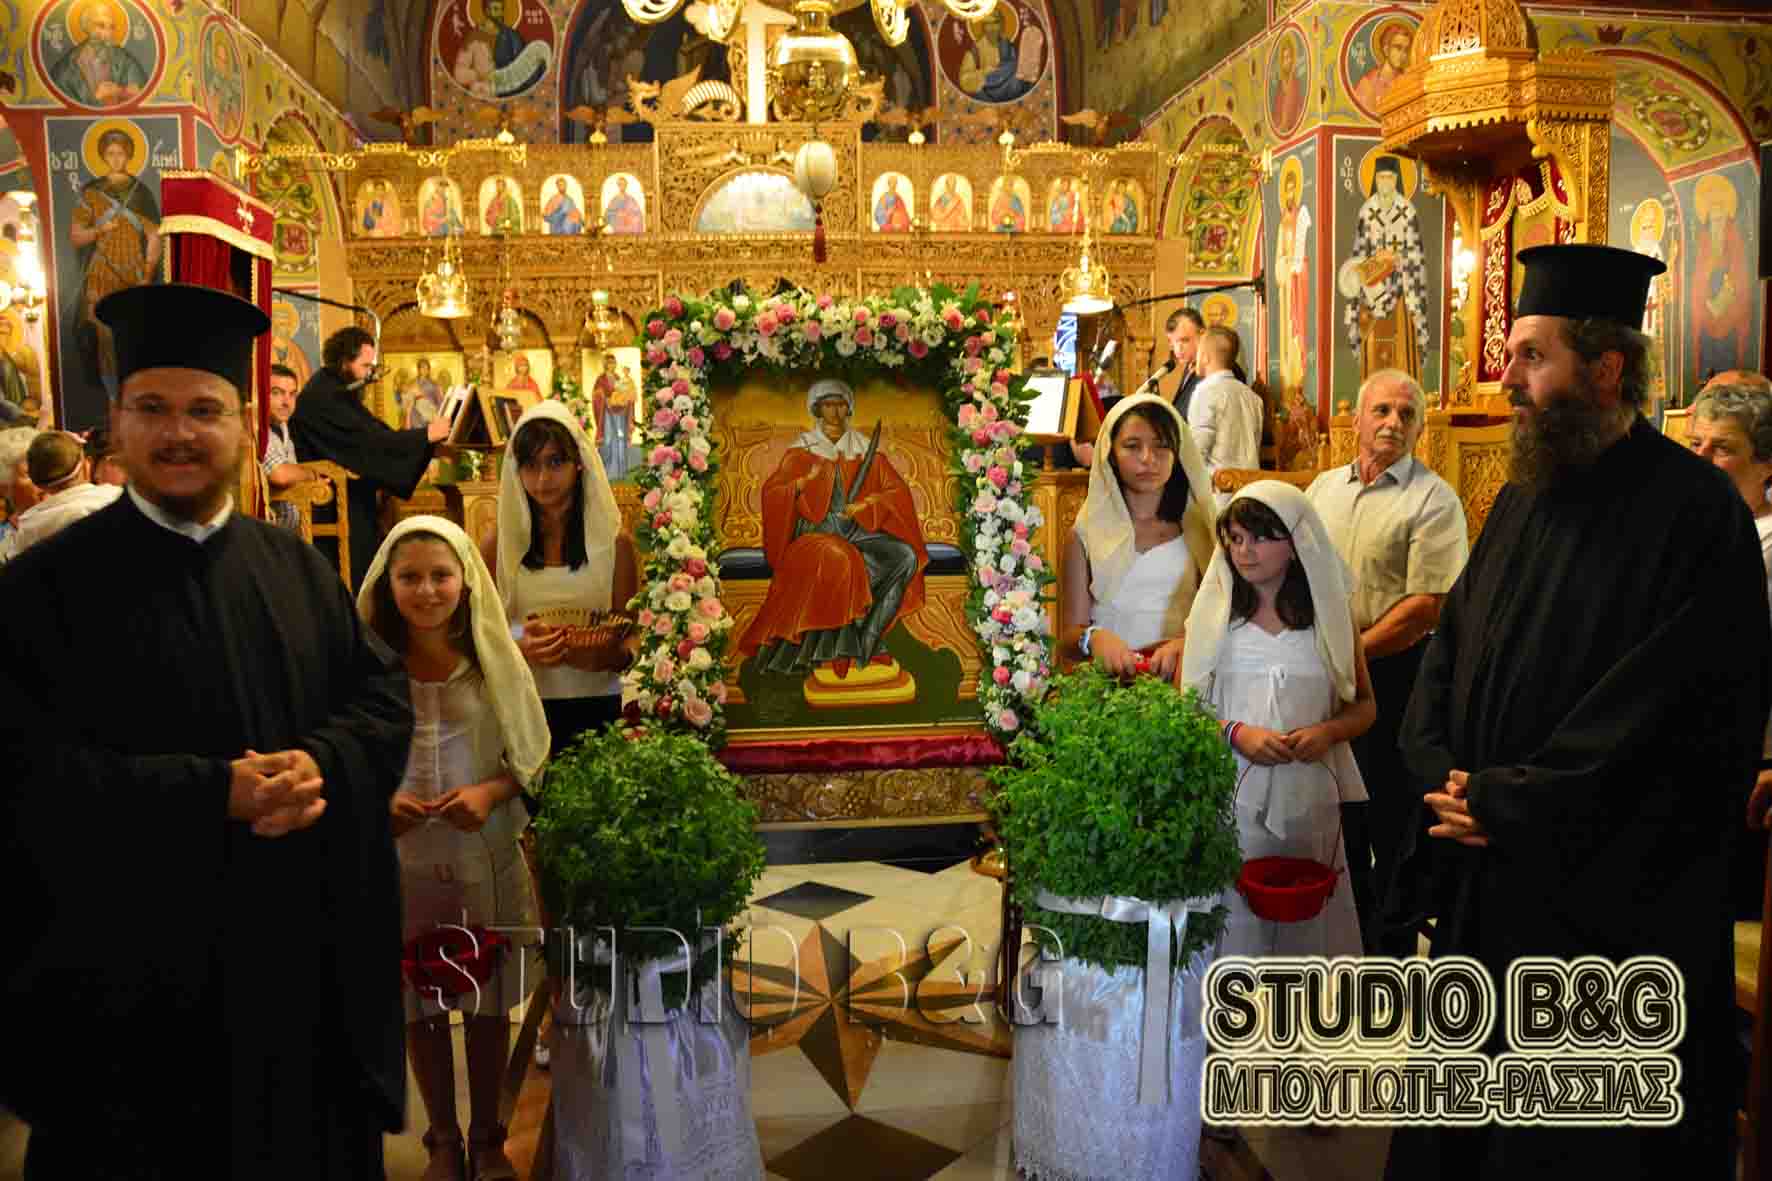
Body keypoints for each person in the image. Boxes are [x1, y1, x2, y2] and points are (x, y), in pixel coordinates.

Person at [0, 282, 412, 1177]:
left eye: (203, 410)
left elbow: (381, 701)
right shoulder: (41, 591)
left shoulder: (299, 570)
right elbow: (20, 774)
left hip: (295, 1015)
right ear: (116, 422)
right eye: (153, 408)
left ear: (246, 423)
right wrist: (209, 792)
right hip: (124, 1027)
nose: (178, 433)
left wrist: (322, 764)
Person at [1385, 245, 1769, 1178]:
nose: (1507, 378)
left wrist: (1509, 801)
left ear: (1605, 368)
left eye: (1533, 356)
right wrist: (1438, 770)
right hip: (1488, 884)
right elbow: (1452, 644)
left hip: (1604, 909)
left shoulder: (1696, 513)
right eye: (1511, 353)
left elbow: (1669, 711)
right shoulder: (1523, 493)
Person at [360, 516, 548, 1181]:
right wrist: (377, 803)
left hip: (480, 855)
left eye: (441, 575)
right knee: (420, 1004)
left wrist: (491, 792)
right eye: (409, 576)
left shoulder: (493, 662)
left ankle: (489, 1136)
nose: (426, 590)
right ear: (387, 584)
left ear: (467, 581)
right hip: (400, 860)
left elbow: (529, 755)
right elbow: (346, 752)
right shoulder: (367, 666)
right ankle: (442, 1137)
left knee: (486, 1002)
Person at [1306, 369, 1468, 954]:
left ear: (1420, 429)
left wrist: (1353, 655)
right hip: (1322, 670)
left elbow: (1426, 606)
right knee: (1334, 810)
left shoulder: (1433, 499)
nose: (1393, 423)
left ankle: (1389, 955)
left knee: (1391, 817)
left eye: (1406, 415)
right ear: (1356, 419)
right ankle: (1342, 939)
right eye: (1381, 411)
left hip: (1395, 675)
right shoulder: (1322, 489)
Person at [1182, 481, 1374, 962]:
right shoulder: (1214, 618)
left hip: (1309, 795)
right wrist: (1235, 732)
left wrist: (1328, 732)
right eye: (1235, 538)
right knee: (1235, 919)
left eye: (1260, 538)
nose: (1244, 551)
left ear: (1295, 543)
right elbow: (1185, 709)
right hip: (1232, 793)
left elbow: (1365, 706)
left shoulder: (1330, 618)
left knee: (1306, 920)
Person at [737, 378, 928, 679]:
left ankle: (869, 639)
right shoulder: (802, 451)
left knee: (903, 556)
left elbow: (897, 492)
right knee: (841, 558)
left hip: (856, 531)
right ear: (817, 409)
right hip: (816, 533)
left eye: (840, 404)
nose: (835, 411)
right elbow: (774, 491)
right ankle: (839, 648)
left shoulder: (864, 451)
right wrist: (802, 483)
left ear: (848, 408)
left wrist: (868, 504)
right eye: (828, 404)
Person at [484, 401, 636, 755]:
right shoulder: (497, 544)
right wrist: (520, 642)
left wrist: (608, 657)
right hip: (525, 703)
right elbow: (487, 627)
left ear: (579, 463)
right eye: (530, 465)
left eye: (555, 462)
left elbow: (629, 633)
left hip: (598, 703)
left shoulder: (616, 544)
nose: (542, 479)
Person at [1684, 380, 1772, 916]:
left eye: (1723, 448)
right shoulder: (1690, 526)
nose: (1702, 459)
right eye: (1696, 444)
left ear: (1765, 464)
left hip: (1745, 754)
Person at [1063, 393, 1216, 682]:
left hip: (1180, 681)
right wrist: (1093, 638)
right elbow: (1068, 638)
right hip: (1106, 685)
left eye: (1162, 446)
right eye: (1132, 446)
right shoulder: (1084, 535)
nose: (1148, 458)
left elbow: (1222, 617)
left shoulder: (1201, 530)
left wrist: (1187, 643)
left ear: (1178, 454)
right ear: (1110, 453)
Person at [290, 325, 451, 588]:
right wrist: (426, 435)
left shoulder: (338, 391)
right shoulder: (324, 396)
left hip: (352, 502)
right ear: (345, 361)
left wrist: (428, 443)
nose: (369, 374)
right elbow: (368, 443)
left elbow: (375, 433)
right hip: (331, 507)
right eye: (365, 366)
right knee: (348, 579)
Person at [67, 127, 161, 396]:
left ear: (129, 156)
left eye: (121, 153)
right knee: (105, 336)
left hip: (133, 272)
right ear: (103, 156)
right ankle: (112, 394)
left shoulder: (140, 193)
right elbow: (76, 236)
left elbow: (154, 236)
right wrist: (100, 230)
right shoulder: (91, 192)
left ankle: (135, 389)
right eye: (110, 153)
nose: (116, 158)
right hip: (102, 270)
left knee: (133, 334)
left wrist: (147, 274)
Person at [1341, 156, 1427, 383]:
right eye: (1381, 177)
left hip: (1401, 292)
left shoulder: (1407, 210)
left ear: (1397, 179)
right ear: (1375, 179)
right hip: (1373, 294)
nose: (1385, 182)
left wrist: (1397, 259)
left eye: (1389, 177)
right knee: (1373, 350)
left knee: (1400, 349)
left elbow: (1417, 254)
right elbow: (1359, 252)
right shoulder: (1367, 211)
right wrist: (1372, 267)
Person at [0, 429, 121, 561]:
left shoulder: (108, 501)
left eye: (59, 466)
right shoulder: (10, 544)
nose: (54, 477)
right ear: (4, 488)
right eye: (32, 473)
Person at [1186, 326, 1263, 501]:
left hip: (1217, 496)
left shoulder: (1205, 392)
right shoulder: (1253, 397)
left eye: (1198, 352)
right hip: (1251, 494)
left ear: (1205, 357)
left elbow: (1196, 453)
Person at [48, 2, 148, 106]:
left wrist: (118, 91)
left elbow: (142, 91)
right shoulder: (68, 65)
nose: (108, 33)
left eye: (111, 27)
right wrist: (95, 99)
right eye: (101, 26)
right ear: (86, 26)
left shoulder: (124, 59)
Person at [263, 362, 310, 532]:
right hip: (265, 533)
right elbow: (280, 474)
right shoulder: (257, 430)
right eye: (277, 393)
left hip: (286, 533)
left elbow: (292, 471)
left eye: (292, 394)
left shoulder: (283, 427)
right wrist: (310, 475)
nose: (287, 402)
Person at [1164, 306, 1204, 418]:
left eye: (1184, 340)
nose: (1178, 349)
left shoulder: (1217, 367)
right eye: (1172, 342)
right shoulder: (1190, 365)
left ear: (1202, 335)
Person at [403, 357, 444, 429]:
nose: (425, 370)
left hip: (430, 410)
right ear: (419, 369)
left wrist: (439, 410)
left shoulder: (434, 383)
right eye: (422, 367)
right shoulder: (413, 383)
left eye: (426, 368)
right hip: (416, 412)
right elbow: (407, 398)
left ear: (429, 369)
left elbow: (439, 399)